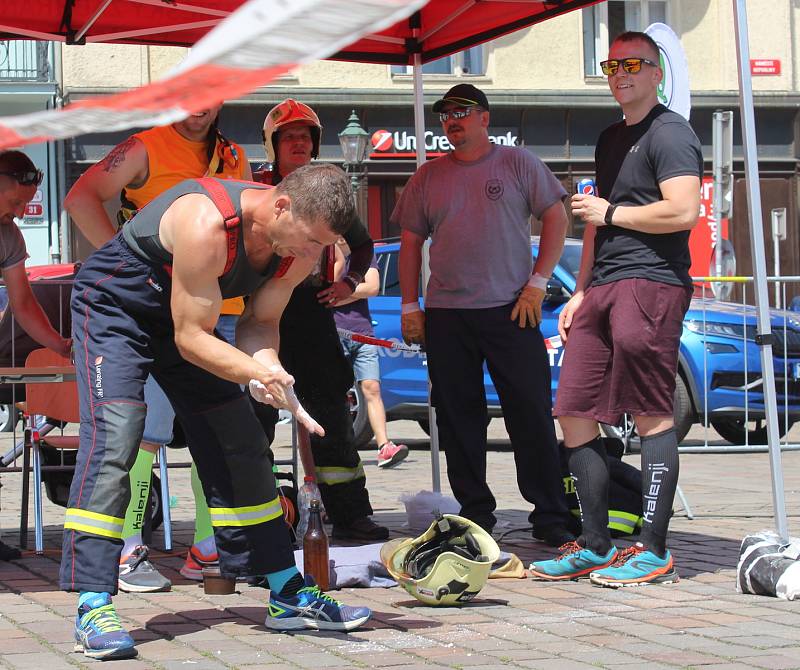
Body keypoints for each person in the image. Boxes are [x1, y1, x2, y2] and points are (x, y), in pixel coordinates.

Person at [62, 164, 373, 661]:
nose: (313, 258)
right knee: (117, 434)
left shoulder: (296, 245)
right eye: (312, 241)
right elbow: (190, 338)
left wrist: (269, 368)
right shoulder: (206, 221)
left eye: (325, 247)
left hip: (186, 323)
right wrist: (253, 374)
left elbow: (261, 321)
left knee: (241, 440)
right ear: (281, 206)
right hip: (115, 311)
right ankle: (93, 601)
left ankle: (285, 591)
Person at [530, 31, 702, 587]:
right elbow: (596, 224)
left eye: (633, 64)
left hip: (651, 283)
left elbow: (683, 212)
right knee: (573, 410)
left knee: (651, 410)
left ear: (656, 74)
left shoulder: (672, 132)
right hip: (603, 285)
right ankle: (595, 543)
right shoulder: (610, 137)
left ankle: (653, 548)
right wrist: (580, 291)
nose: (620, 73)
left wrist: (613, 213)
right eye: (611, 65)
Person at [64, 107, 250, 592]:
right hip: (151, 313)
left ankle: (208, 549)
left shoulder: (235, 155)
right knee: (139, 433)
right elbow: (81, 197)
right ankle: (126, 548)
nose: (199, 109)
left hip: (217, 312)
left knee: (220, 433)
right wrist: (120, 263)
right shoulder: (145, 145)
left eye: (210, 98)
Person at [392, 83, 574, 546]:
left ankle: (550, 513)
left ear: (485, 118)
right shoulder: (427, 177)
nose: (453, 121)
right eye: (446, 115)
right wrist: (410, 305)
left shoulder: (518, 163)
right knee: (458, 419)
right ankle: (474, 513)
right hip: (448, 315)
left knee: (530, 413)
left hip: (513, 310)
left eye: (462, 112)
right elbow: (410, 243)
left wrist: (538, 283)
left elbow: (556, 217)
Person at [254, 99, 388, 541]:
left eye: (305, 137)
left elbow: (364, 245)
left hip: (310, 310)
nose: (298, 143)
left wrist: (348, 282)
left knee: (330, 409)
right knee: (255, 415)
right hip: (257, 314)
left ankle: (349, 514)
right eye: (289, 137)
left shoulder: (331, 189)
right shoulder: (253, 185)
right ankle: (262, 515)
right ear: (272, 144)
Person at [0, 150, 71, 561]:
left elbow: (24, 304)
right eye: (16, 201)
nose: (22, 211)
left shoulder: (9, 236)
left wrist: (59, 344)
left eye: (28, 202)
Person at [332, 238, 408, 468]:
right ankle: (337, 447)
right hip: (335, 332)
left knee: (372, 388)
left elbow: (373, 287)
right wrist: (355, 289)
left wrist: (342, 292)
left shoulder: (363, 252)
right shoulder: (325, 252)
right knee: (336, 392)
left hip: (363, 332)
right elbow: (325, 292)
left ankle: (384, 446)